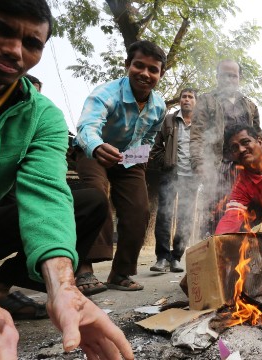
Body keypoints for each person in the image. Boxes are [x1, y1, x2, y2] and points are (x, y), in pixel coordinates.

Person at [0, 1, 133, 358]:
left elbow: (45, 195)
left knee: (88, 200)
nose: (14, 50)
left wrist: (63, 286)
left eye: (32, 43)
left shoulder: (43, 116)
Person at [75, 40, 167, 291]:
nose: (145, 74)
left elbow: (149, 137)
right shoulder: (105, 93)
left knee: (139, 209)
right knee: (95, 197)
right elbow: (86, 128)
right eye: (139, 66)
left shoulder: (159, 106)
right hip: (94, 151)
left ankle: (120, 273)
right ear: (128, 65)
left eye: (153, 70)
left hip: (129, 159)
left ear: (161, 74)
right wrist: (96, 146)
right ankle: (84, 269)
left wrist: (139, 158)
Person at [190, 59, 262, 236]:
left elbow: (258, 136)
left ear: (239, 78)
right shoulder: (206, 101)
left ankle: (246, 258)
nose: (229, 80)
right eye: (224, 75)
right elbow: (197, 134)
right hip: (218, 165)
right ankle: (214, 258)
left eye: (233, 76)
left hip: (246, 168)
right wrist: (199, 164)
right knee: (216, 212)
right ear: (217, 77)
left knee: (249, 213)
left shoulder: (249, 104)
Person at [149, 88, 197, 273]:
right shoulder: (168, 119)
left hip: (191, 177)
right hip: (170, 175)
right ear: (179, 101)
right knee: (164, 215)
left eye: (190, 97)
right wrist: (166, 162)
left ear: (195, 102)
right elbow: (156, 147)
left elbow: (207, 148)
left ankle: (176, 257)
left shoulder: (200, 124)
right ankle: (161, 258)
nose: (186, 100)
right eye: (184, 97)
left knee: (185, 218)